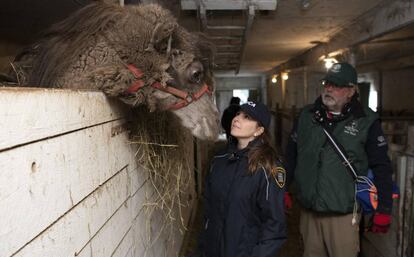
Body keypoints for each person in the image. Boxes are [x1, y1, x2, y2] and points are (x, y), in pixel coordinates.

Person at [285, 62, 394, 257]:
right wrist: (282, 188)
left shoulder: (366, 121)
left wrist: (384, 207)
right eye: (327, 83)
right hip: (309, 212)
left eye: (336, 85)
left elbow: (382, 167)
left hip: (343, 215)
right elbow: (291, 155)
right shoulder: (306, 116)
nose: (329, 89)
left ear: (351, 91)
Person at [193, 101, 287, 257]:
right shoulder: (219, 161)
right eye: (238, 114)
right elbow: (209, 213)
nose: (237, 119)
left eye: (247, 117)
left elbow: (274, 227)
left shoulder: (268, 168)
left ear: (259, 130)